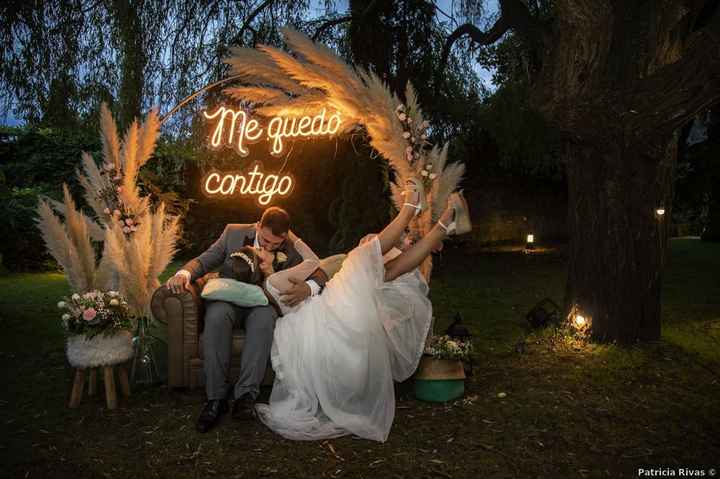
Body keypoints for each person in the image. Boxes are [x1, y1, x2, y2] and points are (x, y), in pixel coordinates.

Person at [229, 178, 472, 441]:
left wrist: (292, 253)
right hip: (323, 315)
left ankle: (445, 223)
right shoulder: (273, 280)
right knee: (363, 257)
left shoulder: (273, 278)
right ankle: (411, 208)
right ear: (258, 266)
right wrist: (294, 237)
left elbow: (313, 268)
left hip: (322, 309)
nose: (264, 248)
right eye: (259, 251)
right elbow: (313, 261)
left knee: (388, 269)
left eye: (265, 245)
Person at [165, 207, 328, 433]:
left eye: (275, 244)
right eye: (266, 240)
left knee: (264, 321)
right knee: (216, 317)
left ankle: (245, 397)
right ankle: (215, 399)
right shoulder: (233, 233)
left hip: (261, 304)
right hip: (227, 299)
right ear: (258, 226)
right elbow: (204, 261)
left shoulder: (290, 247)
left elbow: (319, 272)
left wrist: (309, 288)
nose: (270, 247)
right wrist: (183, 274)